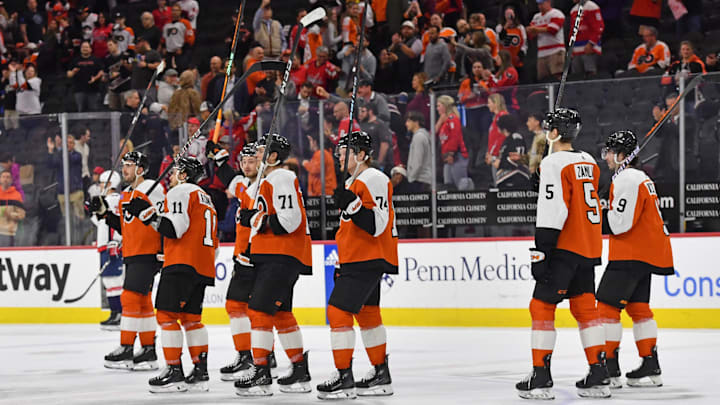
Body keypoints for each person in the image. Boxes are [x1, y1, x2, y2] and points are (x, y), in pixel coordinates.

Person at [516, 108, 608, 399]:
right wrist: (542, 180)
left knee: (541, 307)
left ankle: (540, 376)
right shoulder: (589, 161)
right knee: (585, 308)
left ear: (554, 133)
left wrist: (542, 249)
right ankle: (599, 372)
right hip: (588, 246)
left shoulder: (554, 163)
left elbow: (554, 209)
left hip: (563, 246)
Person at [123, 156, 216, 392]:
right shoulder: (206, 198)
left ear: (184, 175)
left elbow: (173, 229)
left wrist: (146, 215)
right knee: (192, 319)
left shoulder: (180, 192)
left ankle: (174, 370)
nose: (170, 177)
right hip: (202, 265)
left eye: (174, 172)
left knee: (166, 316)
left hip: (181, 263)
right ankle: (200, 371)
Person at [317, 131, 397, 399]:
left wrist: (351, 205)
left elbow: (377, 224)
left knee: (338, 312)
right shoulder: (354, 181)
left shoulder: (372, 178)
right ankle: (380, 374)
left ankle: (343, 377)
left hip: (367, 256)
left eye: (344, 152)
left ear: (361, 155)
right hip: (359, 255)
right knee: (368, 314)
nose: (339, 156)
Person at [234, 134, 313, 397]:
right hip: (275, 255)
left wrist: (255, 218)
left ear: (273, 157)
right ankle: (299, 369)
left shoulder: (281, 177)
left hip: (280, 254)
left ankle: (261, 372)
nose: (255, 156)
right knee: (280, 314)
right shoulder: (269, 180)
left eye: (260, 151)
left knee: (257, 310)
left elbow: (288, 221)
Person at [596, 130, 674, 388]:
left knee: (607, 308)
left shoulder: (627, 178)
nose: (606, 157)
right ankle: (651, 366)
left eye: (609, 152)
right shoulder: (639, 177)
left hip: (630, 253)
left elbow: (619, 225)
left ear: (621, 155)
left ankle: (610, 369)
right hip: (645, 252)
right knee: (639, 309)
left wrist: (601, 211)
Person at [91, 151, 163, 372]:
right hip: (132, 252)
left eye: (130, 165)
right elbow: (125, 226)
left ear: (140, 169)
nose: (125, 169)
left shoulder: (153, 188)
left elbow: (159, 219)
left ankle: (127, 346)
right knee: (141, 301)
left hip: (147, 252)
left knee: (130, 298)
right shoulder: (126, 194)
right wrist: (104, 214)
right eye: (124, 165)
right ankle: (149, 350)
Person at [91, 171, 124, 330]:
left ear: (109, 185)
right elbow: (101, 222)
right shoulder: (115, 200)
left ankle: (118, 314)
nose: (100, 187)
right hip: (109, 244)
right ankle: (115, 313)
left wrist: (115, 241)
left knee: (114, 281)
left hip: (111, 244)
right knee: (110, 281)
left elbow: (113, 223)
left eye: (102, 184)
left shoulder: (110, 201)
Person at [436, 95, 470, 190]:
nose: (437, 108)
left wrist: (451, 154)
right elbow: (434, 134)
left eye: (439, 106)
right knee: (448, 185)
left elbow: (455, 137)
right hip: (447, 157)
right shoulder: (444, 122)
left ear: (445, 106)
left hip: (457, 156)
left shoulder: (453, 119)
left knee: (460, 183)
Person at [528, 0, 566, 81]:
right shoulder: (536, 17)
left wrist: (536, 29)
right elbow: (531, 33)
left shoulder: (556, 13)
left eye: (542, 3)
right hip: (541, 53)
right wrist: (538, 29)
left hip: (556, 51)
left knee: (557, 77)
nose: (540, 6)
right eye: (538, 4)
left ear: (548, 2)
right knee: (542, 79)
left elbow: (553, 29)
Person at [493, 114, 530, 190]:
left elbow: (516, 159)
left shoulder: (515, 138)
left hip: (514, 178)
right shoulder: (508, 140)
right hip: (507, 179)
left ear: (504, 128)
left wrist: (499, 162)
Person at [570, 0, 604, 78]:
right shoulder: (573, 10)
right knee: (576, 77)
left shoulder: (592, 7)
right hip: (576, 50)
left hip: (589, 48)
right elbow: (572, 31)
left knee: (591, 75)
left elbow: (599, 27)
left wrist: (591, 43)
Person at [67, 41, 104, 112]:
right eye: (83, 47)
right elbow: (68, 74)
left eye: (87, 47)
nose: (85, 49)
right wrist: (73, 72)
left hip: (94, 90)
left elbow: (101, 71)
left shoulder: (96, 60)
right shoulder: (75, 60)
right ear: (80, 49)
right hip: (79, 90)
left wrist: (95, 78)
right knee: (80, 111)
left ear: (90, 49)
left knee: (94, 111)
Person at [162, 4, 195, 72]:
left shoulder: (185, 23)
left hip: (181, 52)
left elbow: (190, 38)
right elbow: (163, 38)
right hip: (169, 53)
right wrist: (163, 47)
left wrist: (183, 48)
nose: (175, 12)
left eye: (177, 10)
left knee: (182, 70)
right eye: (173, 10)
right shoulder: (166, 24)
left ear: (180, 12)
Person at [405, 111, 432, 190]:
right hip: (423, 179)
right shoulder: (423, 135)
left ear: (416, 122)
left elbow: (417, 161)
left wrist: (411, 178)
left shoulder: (419, 137)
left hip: (420, 179)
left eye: (408, 121)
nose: (406, 124)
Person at [0, 169, 25, 247]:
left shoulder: (17, 195)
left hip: (9, 232)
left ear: (11, 180)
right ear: (0, 179)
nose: (5, 179)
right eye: (3, 177)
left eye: (8, 177)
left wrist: (10, 214)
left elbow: (22, 215)